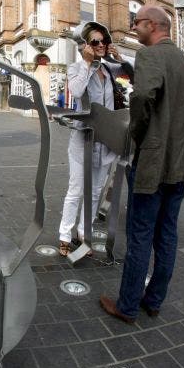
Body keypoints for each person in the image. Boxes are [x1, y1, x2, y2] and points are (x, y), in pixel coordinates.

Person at [99, 5, 184, 324]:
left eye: (136, 22)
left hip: (152, 162)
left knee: (140, 234)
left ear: (153, 25)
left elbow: (141, 98)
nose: (133, 27)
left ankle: (127, 306)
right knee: (166, 235)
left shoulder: (151, 56)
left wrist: (138, 133)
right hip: (180, 165)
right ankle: (153, 300)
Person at [58, 22, 133, 258]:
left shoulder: (111, 69)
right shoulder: (76, 67)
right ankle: (64, 235)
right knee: (77, 189)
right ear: (86, 46)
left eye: (104, 41)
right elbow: (78, 91)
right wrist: (88, 64)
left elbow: (133, 76)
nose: (101, 45)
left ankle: (84, 234)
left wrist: (120, 58)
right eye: (95, 42)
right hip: (83, 139)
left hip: (106, 140)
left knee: (95, 191)